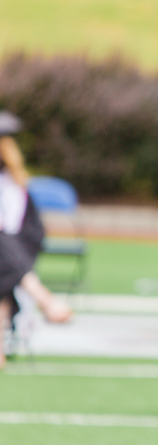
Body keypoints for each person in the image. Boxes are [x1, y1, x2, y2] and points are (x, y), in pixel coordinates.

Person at [0, 110, 72, 368]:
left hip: (13, 247)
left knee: (4, 251)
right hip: (11, 254)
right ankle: (43, 298)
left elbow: (18, 226)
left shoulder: (13, 182)